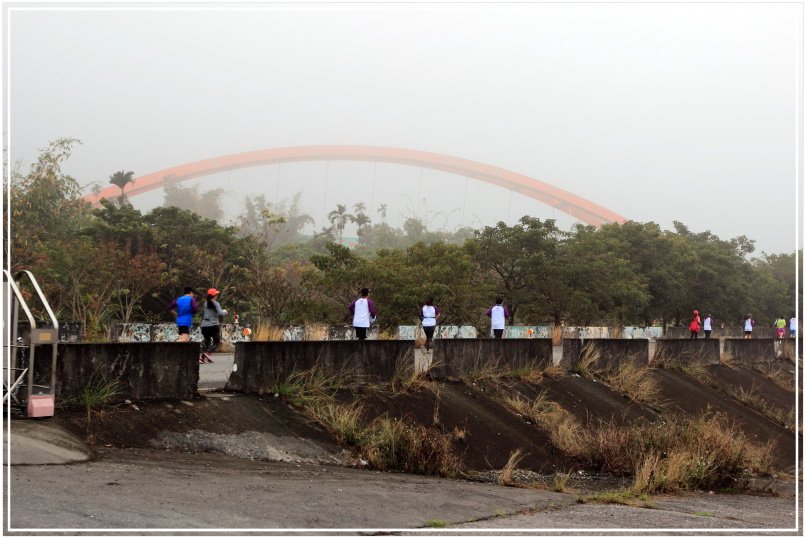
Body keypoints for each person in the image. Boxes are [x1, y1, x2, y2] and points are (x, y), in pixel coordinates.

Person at [200, 288, 228, 361]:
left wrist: (219, 312)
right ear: (214, 295)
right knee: (217, 341)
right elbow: (221, 313)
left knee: (207, 341)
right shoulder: (216, 303)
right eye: (216, 294)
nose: (217, 295)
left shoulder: (205, 304)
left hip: (204, 325)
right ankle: (208, 353)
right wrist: (225, 312)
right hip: (213, 325)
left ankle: (202, 358)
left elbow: (211, 313)